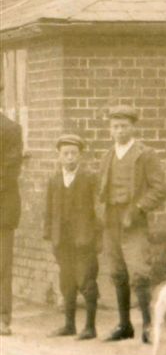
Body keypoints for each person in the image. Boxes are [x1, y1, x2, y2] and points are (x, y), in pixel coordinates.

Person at [99, 105, 166, 343]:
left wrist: (138, 209)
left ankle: (148, 325)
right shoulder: (107, 155)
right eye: (115, 126)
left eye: (124, 126)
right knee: (117, 272)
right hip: (111, 220)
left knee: (139, 273)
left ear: (133, 127)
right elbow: (101, 189)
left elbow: (159, 189)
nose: (119, 131)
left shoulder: (145, 154)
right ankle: (125, 325)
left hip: (133, 220)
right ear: (110, 129)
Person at [43, 134, 102, 340]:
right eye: (65, 154)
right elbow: (49, 210)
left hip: (84, 239)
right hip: (62, 240)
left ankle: (90, 327)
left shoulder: (89, 179)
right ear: (59, 156)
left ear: (80, 156)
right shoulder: (54, 179)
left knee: (86, 280)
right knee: (66, 280)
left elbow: (98, 210)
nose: (69, 158)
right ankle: (69, 325)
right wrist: (50, 235)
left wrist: (97, 237)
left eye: (73, 153)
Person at [0, 85, 23, 336]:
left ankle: (2, 318)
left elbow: (9, 169)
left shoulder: (10, 129)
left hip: (2, 208)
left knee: (2, 265)